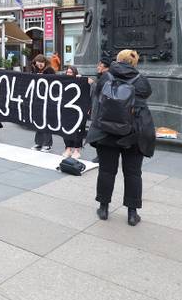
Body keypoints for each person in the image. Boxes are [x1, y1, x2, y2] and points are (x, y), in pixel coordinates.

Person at [87, 50, 155, 226]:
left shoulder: (106, 77)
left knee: (106, 171)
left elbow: (97, 97)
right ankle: (132, 214)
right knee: (133, 173)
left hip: (106, 132)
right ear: (134, 63)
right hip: (133, 134)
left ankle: (103, 208)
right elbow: (146, 95)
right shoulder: (141, 81)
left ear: (117, 60)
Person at [61, 65, 87, 159]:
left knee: (78, 129)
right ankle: (68, 148)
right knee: (66, 129)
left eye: (71, 72)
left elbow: (87, 88)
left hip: (78, 109)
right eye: (67, 72)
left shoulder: (79, 81)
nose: (69, 74)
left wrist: (81, 79)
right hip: (67, 109)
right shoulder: (64, 81)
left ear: (75, 73)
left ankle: (76, 149)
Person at [31, 54, 56, 152]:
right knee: (39, 121)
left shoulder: (50, 70)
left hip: (47, 98)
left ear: (44, 62)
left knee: (46, 121)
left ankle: (47, 144)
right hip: (38, 98)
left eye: (41, 64)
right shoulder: (35, 70)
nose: (39, 66)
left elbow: (54, 83)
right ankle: (39, 142)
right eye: (37, 64)